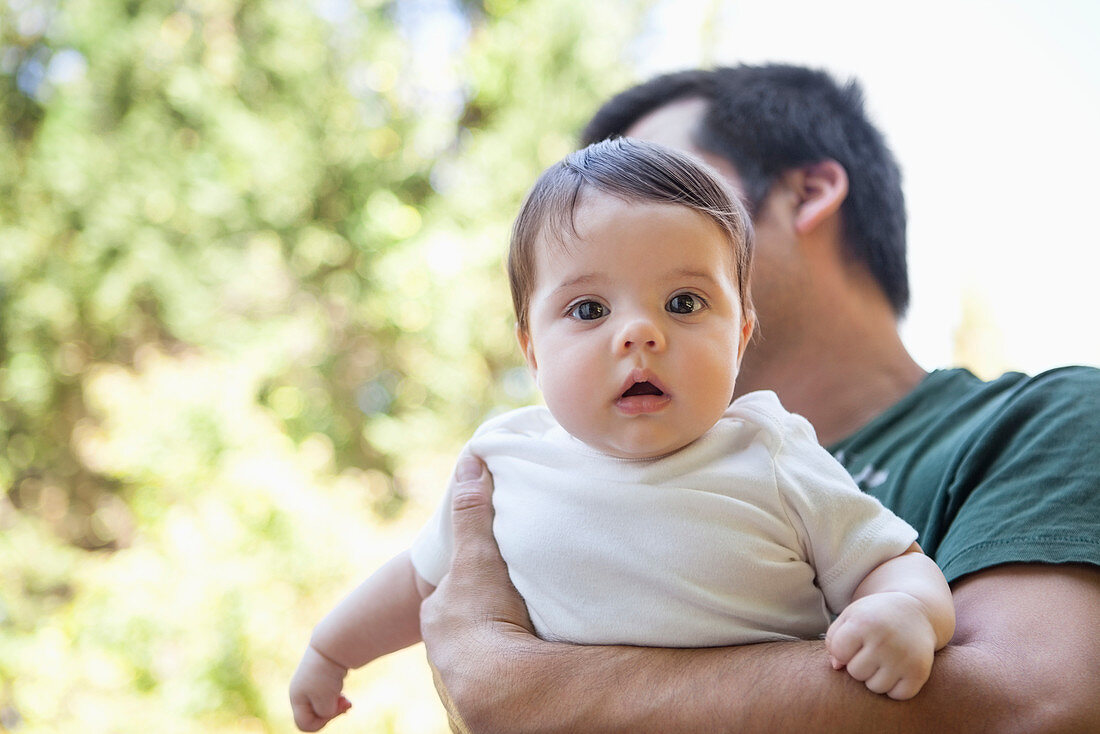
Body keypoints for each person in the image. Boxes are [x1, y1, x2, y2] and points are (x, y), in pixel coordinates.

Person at [419, 64, 1100, 733]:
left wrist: (538, 690)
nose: (608, 219)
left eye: (664, 173)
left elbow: (1036, 705)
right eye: (587, 302)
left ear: (807, 193)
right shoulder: (539, 462)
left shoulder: (1044, 421)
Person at [288, 138, 956, 732]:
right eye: (588, 309)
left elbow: (893, 565)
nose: (640, 334)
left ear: (741, 333)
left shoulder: (771, 452)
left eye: (684, 303)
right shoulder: (506, 461)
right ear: (532, 350)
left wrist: (905, 614)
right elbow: (418, 579)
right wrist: (330, 651)